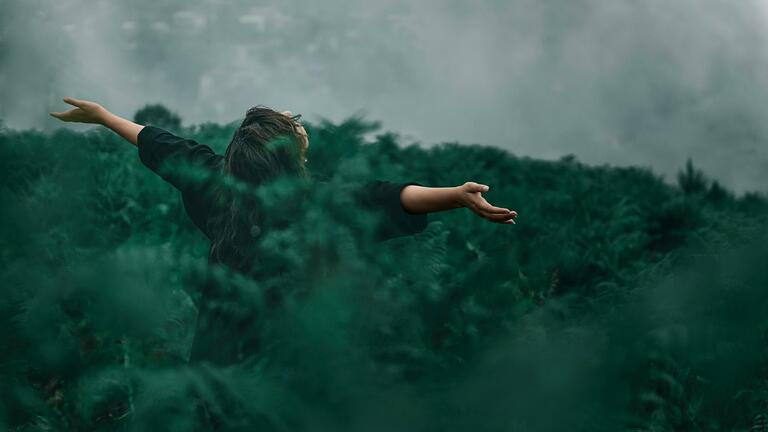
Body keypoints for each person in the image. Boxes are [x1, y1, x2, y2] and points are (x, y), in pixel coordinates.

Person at [50, 97, 518, 427]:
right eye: (293, 122)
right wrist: (456, 196)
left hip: (216, 366)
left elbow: (159, 145)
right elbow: (385, 198)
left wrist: (104, 116)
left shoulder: (217, 186)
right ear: (290, 153)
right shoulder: (313, 205)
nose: (299, 121)